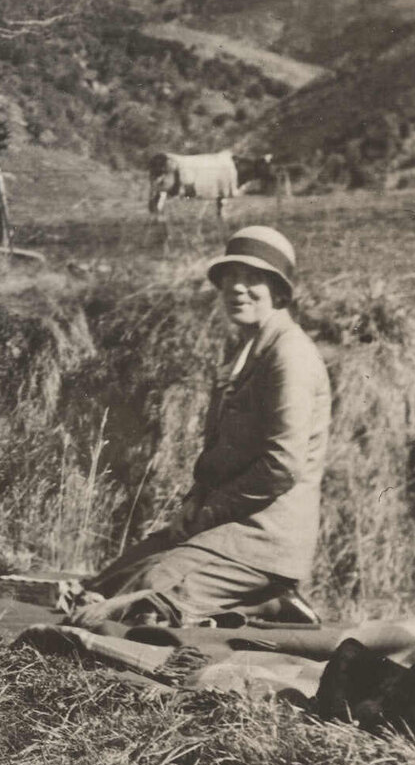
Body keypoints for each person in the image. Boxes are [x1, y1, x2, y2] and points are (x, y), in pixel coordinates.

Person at [69, 226, 331, 627]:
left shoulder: (289, 355)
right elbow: (223, 453)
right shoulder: (247, 351)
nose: (237, 288)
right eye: (230, 277)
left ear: (279, 292)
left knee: (145, 600)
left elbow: (281, 465)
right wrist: (195, 501)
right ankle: (260, 602)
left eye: (253, 278)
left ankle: (268, 603)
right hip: (227, 525)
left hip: (263, 538)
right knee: (111, 581)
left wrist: (207, 513)